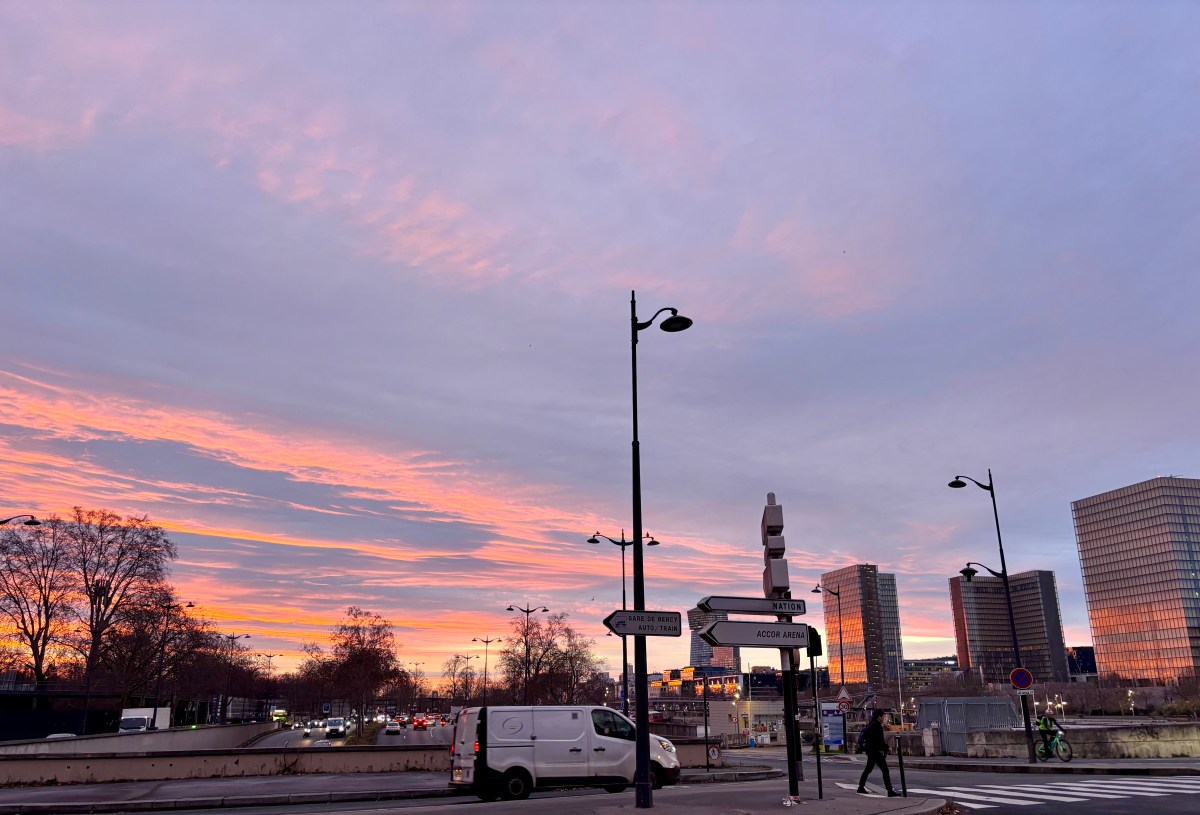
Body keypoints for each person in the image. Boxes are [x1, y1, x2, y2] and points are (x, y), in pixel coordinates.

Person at [857, 708, 899, 797]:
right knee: (885, 770)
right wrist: (885, 748)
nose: (884, 718)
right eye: (883, 716)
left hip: (870, 750)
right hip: (876, 751)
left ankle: (861, 787)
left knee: (868, 769)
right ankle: (890, 791)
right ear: (879, 716)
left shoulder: (871, 724)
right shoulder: (877, 726)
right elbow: (879, 740)